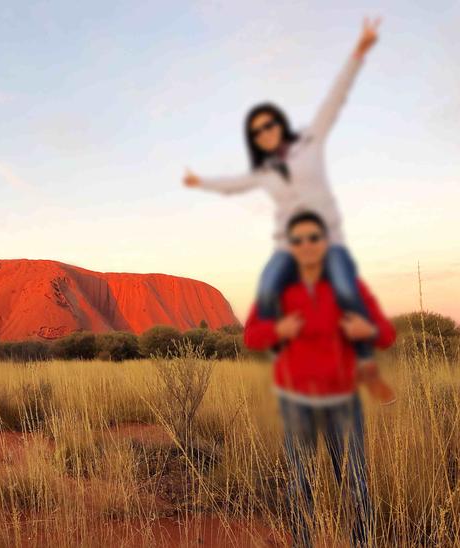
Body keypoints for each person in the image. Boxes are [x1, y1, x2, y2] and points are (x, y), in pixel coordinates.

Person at [183, 17, 395, 404]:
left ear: (280, 125)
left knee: (347, 292)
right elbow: (235, 185)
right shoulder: (264, 173)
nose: (265, 133)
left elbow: (334, 101)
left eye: (269, 125)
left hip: (327, 240)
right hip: (287, 246)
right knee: (266, 289)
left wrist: (359, 52)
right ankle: (289, 359)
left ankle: (366, 367)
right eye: (257, 131)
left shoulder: (310, 144)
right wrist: (202, 183)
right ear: (256, 139)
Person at [244, 211, 396, 547]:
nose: (306, 245)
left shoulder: (348, 289)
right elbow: (251, 335)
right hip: (297, 401)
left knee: (356, 482)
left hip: (343, 402)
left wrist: (366, 329)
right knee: (300, 485)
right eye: (297, 240)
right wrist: (277, 329)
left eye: (314, 237)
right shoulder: (279, 292)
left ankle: (363, 542)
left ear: (325, 242)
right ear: (290, 247)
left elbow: (386, 334)